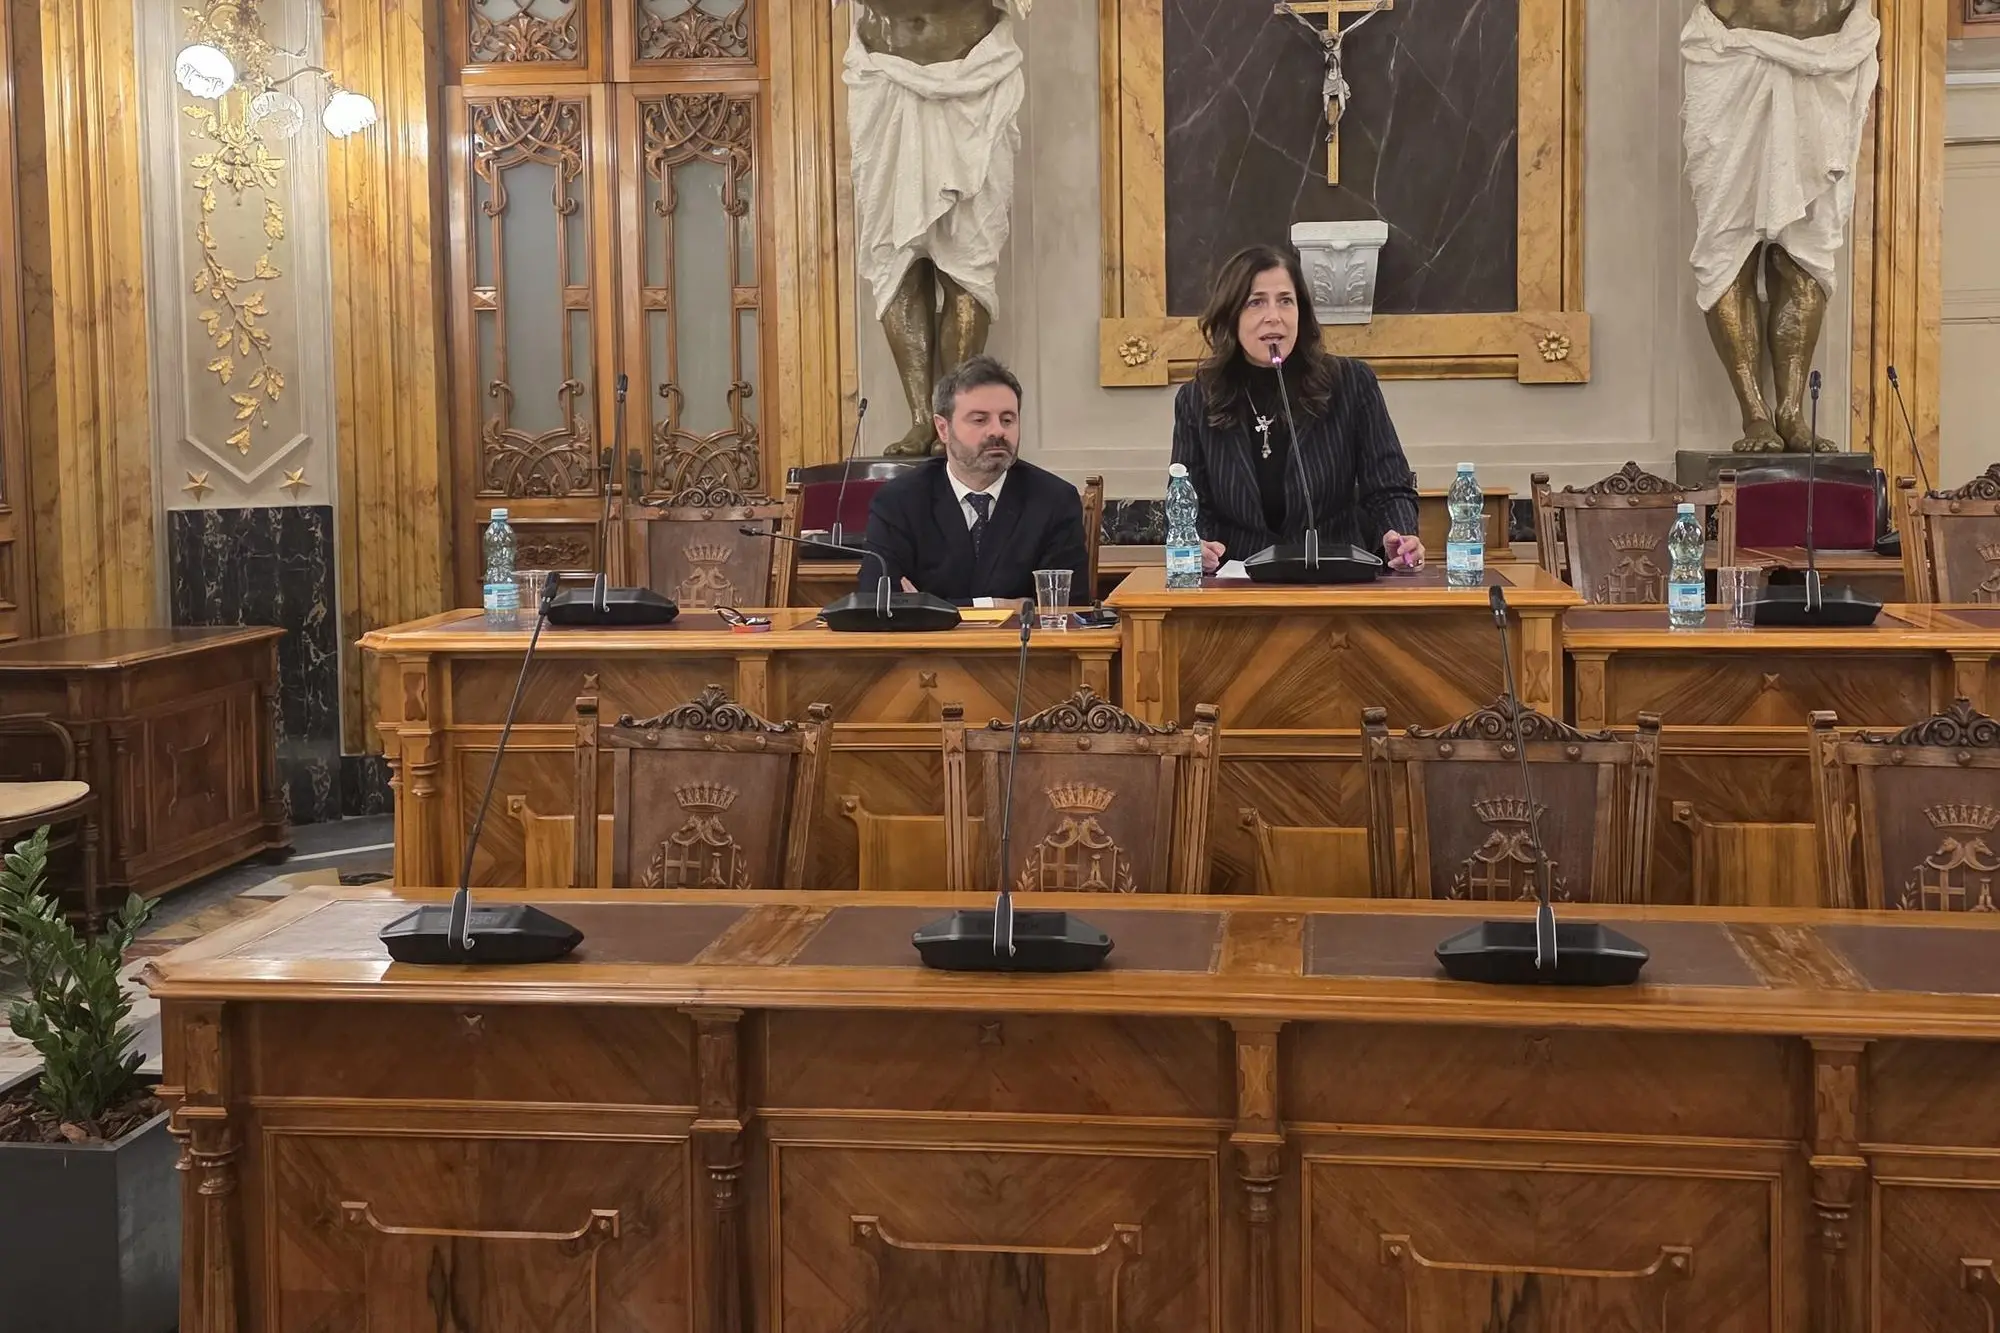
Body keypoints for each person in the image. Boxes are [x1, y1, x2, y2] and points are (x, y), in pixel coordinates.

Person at [1171, 244, 1424, 575]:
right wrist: (1194, 543)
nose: (1273, 316)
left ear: (1301, 313)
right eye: (1256, 302)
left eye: (1285, 301)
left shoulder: (1351, 383)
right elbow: (1190, 503)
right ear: (1231, 315)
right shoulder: (1197, 399)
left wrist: (1400, 536)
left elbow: (1389, 487)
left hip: (1335, 578)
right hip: (1238, 586)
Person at [861, 355, 1091, 603]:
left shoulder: (1054, 500)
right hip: (927, 644)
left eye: (1007, 419)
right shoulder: (900, 501)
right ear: (943, 429)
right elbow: (877, 601)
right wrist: (998, 606)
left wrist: (925, 605)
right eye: (980, 420)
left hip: (1022, 642)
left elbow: (1065, 607)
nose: (998, 431)